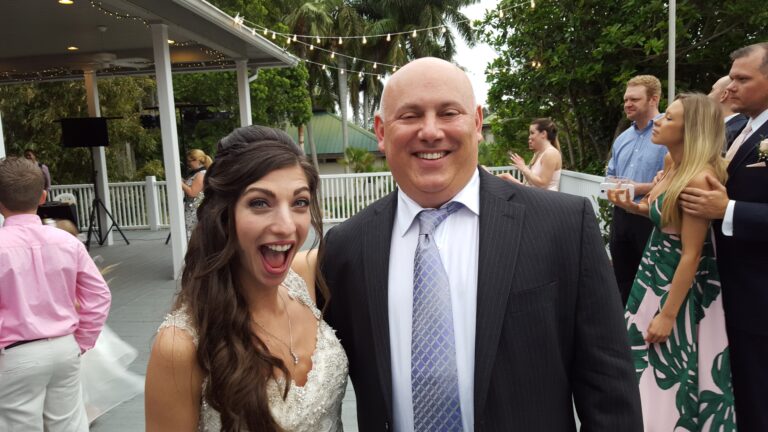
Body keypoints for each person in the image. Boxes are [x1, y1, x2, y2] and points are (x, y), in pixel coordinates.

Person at [320, 57, 641, 431]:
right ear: (380, 130)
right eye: (409, 115)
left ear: (475, 121)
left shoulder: (563, 225)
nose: (430, 131)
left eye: (448, 113)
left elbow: (610, 391)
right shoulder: (346, 248)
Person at [145, 126, 348, 431]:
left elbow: (371, 241)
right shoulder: (180, 346)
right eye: (260, 203)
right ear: (223, 215)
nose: (286, 226)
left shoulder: (305, 278)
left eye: (300, 202)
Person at [609, 93, 735, 430]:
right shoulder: (671, 165)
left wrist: (667, 314)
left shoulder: (698, 178)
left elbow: (692, 254)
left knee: (666, 361)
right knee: (641, 361)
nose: (660, 121)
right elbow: (668, 219)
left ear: (689, 130)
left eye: (669, 118)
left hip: (676, 283)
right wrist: (633, 207)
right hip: (652, 272)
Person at [680, 42, 768, 432]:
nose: (730, 87)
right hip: (720, 289)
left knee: (757, 394)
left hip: (758, 293)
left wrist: (728, 211)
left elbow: (724, 203)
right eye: (730, 77)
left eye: (742, 79)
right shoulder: (733, 129)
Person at [0, 156, 111, 432]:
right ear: (43, 196)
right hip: (64, 347)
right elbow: (98, 296)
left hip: (14, 353)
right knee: (70, 426)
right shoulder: (65, 241)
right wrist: (81, 341)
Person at [607, 75, 669, 306]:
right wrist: (612, 185)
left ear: (653, 99)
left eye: (634, 99)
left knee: (652, 279)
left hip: (651, 215)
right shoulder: (623, 138)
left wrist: (638, 188)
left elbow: (677, 180)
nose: (627, 104)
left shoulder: (670, 133)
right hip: (621, 216)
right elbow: (610, 173)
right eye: (625, 99)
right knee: (622, 277)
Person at [503, 118, 563, 191]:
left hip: (545, 200)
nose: (529, 137)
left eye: (532, 133)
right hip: (534, 195)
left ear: (543, 134)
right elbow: (531, 182)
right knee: (505, 176)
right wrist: (523, 168)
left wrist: (524, 168)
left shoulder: (551, 153)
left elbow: (543, 184)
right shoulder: (538, 153)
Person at [708, 75, 749, 150]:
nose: (707, 95)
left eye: (712, 90)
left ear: (724, 95)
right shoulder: (732, 128)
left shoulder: (736, 132)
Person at [181, 149, 212, 239]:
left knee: (192, 236)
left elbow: (193, 193)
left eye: (189, 161)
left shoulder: (200, 174)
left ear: (196, 160)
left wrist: (180, 183)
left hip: (194, 210)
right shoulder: (198, 173)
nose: (188, 163)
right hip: (192, 208)